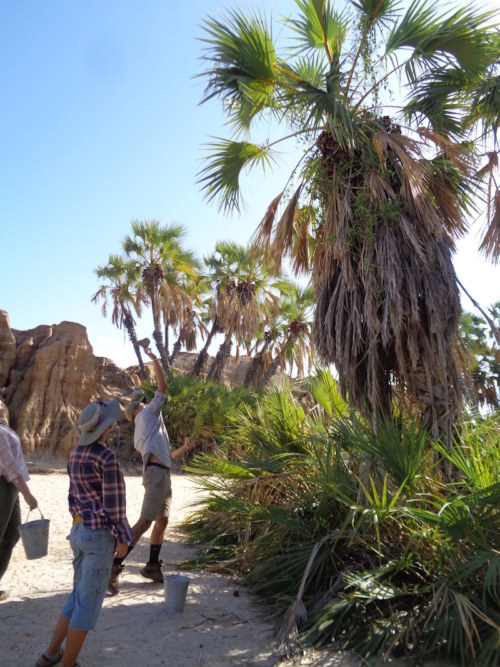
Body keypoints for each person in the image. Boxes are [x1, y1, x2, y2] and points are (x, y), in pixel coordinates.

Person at [35, 399, 133, 667]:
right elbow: (114, 506)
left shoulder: (75, 454)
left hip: (78, 531)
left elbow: (71, 497)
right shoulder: (107, 458)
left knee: (77, 595)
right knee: (87, 603)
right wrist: (124, 537)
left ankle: (49, 656)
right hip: (98, 536)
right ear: (107, 428)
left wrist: (82, 520)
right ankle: (67, 664)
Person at [108, 347, 196, 596]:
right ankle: (114, 567)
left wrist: (184, 448)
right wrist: (156, 359)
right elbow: (163, 388)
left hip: (161, 473)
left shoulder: (146, 425)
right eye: (142, 401)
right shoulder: (147, 415)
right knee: (146, 522)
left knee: (162, 521)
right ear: (137, 408)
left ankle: (152, 566)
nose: (146, 402)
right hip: (158, 476)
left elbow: (164, 458)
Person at [0, 396, 38, 602]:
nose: (3, 400)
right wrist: (27, 494)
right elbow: (10, 467)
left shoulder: (3, 428)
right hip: (4, 487)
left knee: (12, 535)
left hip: (9, 488)